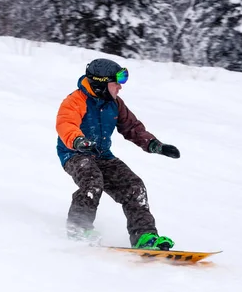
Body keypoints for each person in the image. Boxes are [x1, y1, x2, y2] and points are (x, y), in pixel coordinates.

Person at [56, 58, 181, 250]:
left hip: (102, 155)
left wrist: (155, 145)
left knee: (134, 186)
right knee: (92, 181)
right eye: (117, 83)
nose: (120, 88)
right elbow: (66, 124)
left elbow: (132, 127)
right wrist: (78, 141)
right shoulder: (75, 101)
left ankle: (144, 236)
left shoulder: (115, 103)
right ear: (101, 84)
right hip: (75, 153)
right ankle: (78, 228)